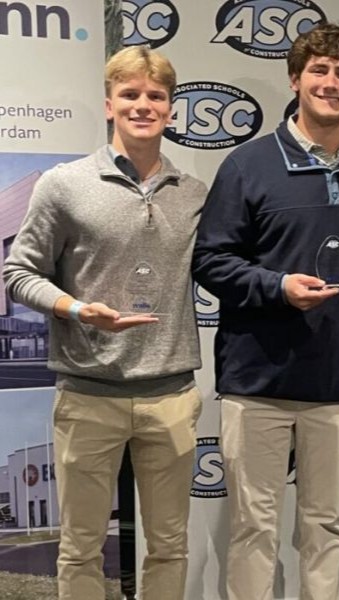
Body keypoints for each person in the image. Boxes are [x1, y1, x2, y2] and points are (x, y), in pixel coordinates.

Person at [191, 22, 339, 600]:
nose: (331, 83)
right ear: (294, 79)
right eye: (319, 70)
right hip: (257, 380)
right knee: (254, 528)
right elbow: (210, 261)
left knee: (326, 527)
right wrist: (277, 286)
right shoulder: (247, 166)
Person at [3, 46, 206, 600]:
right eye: (131, 94)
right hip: (88, 395)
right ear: (109, 104)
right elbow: (17, 273)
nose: (144, 105)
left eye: (156, 96)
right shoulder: (64, 184)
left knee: (169, 545)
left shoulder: (193, 193)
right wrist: (74, 307)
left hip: (171, 395)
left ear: (170, 109)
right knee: (81, 547)